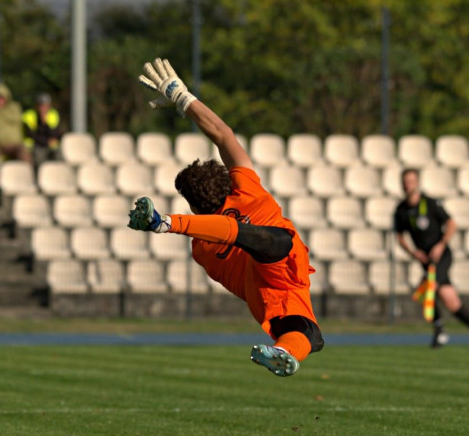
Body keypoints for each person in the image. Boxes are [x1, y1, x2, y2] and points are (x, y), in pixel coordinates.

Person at [127, 58, 323, 377]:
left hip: (266, 291)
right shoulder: (244, 186)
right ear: (226, 179)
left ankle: (283, 352)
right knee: (272, 239)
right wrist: (181, 97)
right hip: (281, 260)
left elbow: (230, 257)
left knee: (309, 336)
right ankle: (164, 223)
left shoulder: (201, 248)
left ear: (193, 205)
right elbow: (222, 133)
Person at [394, 167, 469, 350]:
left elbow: (451, 224)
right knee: (450, 299)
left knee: (426, 288)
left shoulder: (430, 203)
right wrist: (412, 252)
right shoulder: (401, 210)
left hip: (442, 256)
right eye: (405, 182)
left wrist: (441, 244)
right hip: (426, 261)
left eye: (411, 181)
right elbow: (400, 237)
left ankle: (440, 330)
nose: (408, 185)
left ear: (417, 183)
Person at [0, 82, 32, 190]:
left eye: (2, 98)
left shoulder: (14, 107)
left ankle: (28, 178)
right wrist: (7, 120)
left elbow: (17, 118)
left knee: (24, 153)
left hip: (15, 144)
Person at [22, 92, 63, 166]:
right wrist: (46, 141)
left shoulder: (53, 115)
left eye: (45, 105)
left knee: (59, 154)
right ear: (36, 106)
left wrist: (45, 122)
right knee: (39, 158)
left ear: (49, 106)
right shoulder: (28, 116)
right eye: (40, 105)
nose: (43, 108)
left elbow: (55, 133)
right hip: (36, 144)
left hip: (50, 145)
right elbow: (31, 134)